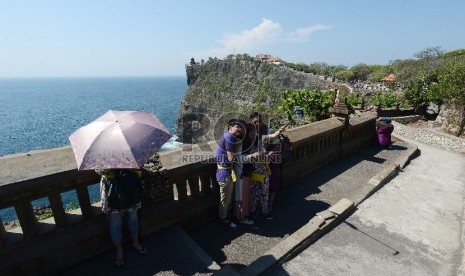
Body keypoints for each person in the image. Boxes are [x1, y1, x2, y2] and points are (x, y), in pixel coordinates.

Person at [98, 169, 148, 268]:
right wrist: (108, 170)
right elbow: (99, 170)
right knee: (115, 224)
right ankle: (119, 249)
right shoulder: (102, 156)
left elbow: (139, 166)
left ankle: (135, 242)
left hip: (130, 187)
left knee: (133, 219)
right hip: (112, 190)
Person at [216, 119, 244, 228]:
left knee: (227, 198)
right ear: (230, 127)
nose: (240, 129)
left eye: (241, 127)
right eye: (238, 126)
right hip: (225, 173)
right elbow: (231, 157)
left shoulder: (226, 136)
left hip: (223, 171)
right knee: (225, 199)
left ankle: (226, 216)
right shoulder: (230, 138)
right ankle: (224, 219)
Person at [234, 123, 259, 225]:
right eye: (251, 130)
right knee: (241, 196)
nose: (254, 133)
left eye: (255, 130)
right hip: (242, 173)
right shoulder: (241, 142)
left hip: (246, 172)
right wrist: (251, 156)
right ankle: (241, 217)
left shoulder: (248, 141)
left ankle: (243, 214)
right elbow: (238, 158)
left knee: (244, 195)